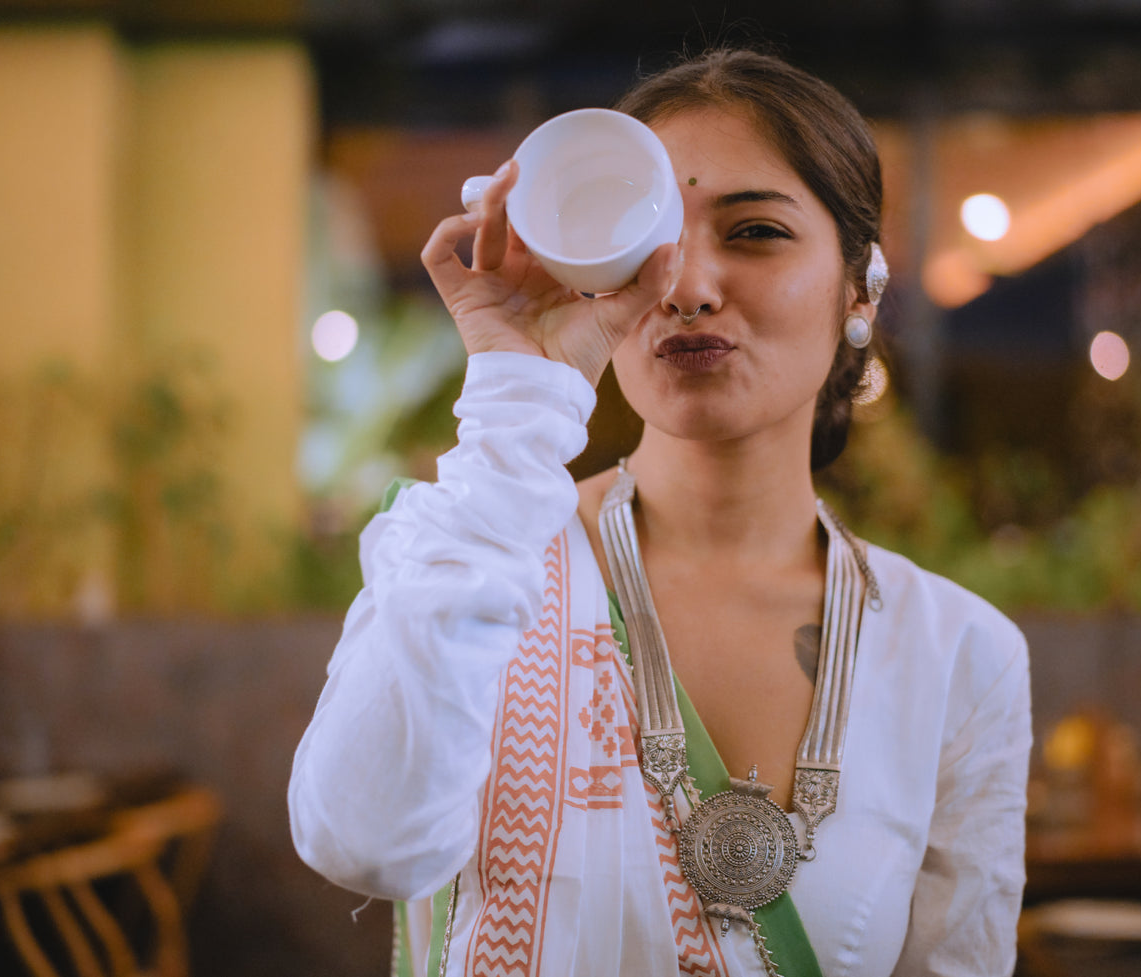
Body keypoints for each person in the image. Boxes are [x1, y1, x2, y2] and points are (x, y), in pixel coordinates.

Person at [289, 48, 1031, 977]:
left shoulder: (957, 650)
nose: (685, 286)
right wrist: (518, 398)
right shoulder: (478, 560)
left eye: (754, 231)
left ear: (858, 287)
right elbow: (363, 842)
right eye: (649, 243)